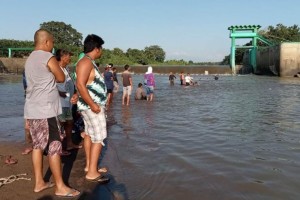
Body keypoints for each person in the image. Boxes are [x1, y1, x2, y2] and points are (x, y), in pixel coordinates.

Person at [24, 29, 80, 197]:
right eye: (52, 43)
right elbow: (61, 77)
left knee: (37, 146)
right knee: (54, 146)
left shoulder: (29, 60)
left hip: (32, 109)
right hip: (46, 110)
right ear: (46, 42)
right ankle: (60, 187)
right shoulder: (46, 57)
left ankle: (39, 182)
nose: (53, 46)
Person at [76, 34, 109, 183]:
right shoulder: (85, 62)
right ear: (97, 48)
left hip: (90, 106)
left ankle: (90, 167)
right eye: (101, 48)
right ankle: (92, 173)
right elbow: (80, 84)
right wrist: (93, 104)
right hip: (92, 108)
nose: (101, 51)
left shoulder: (89, 62)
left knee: (89, 135)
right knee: (99, 137)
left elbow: (84, 85)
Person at [55, 49, 81, 155]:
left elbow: (72, 84)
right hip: (59, 102)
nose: (70, 58)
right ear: (62, 57)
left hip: (68, 101)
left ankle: (69, 144)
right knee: (60, 124)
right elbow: (50, 85)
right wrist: (62, 94)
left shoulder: (66, 69)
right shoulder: (55, 68)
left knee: (69, 122)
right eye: (68, 56)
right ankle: (57, 148)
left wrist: (75, 93)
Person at [21, 70, 33, 155]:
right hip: (30, 98)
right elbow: (26, 87)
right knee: (27, 126)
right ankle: (30, 145)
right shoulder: (26, 70)